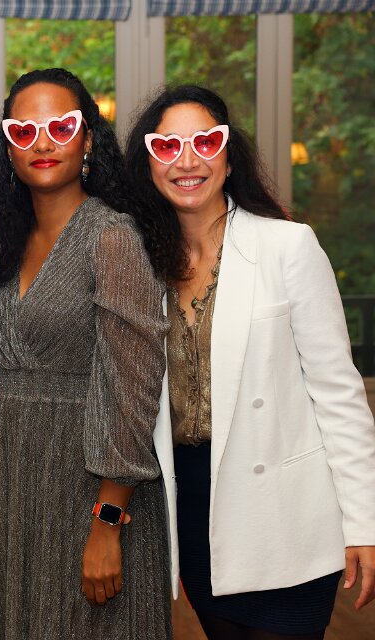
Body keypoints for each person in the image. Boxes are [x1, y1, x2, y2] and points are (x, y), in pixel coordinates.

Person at [124, 84, 375, 639]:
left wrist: (365, 523)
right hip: (196, 514)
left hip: (286, 518)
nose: (187, 160)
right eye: (167, 146)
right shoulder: (140, 263)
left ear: (229, 156)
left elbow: (338, 394)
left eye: (205, 142)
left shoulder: (287, 246)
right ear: (149, 165)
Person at [0, 68, 171, 639]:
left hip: (91, 486)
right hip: (11, 479)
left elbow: (134, 387)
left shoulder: (112, 236)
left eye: (60, 127)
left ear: (87, 138)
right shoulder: (5, 244)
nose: (42, 143)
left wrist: (108, 520)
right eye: (24, 130)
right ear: (8, 147)